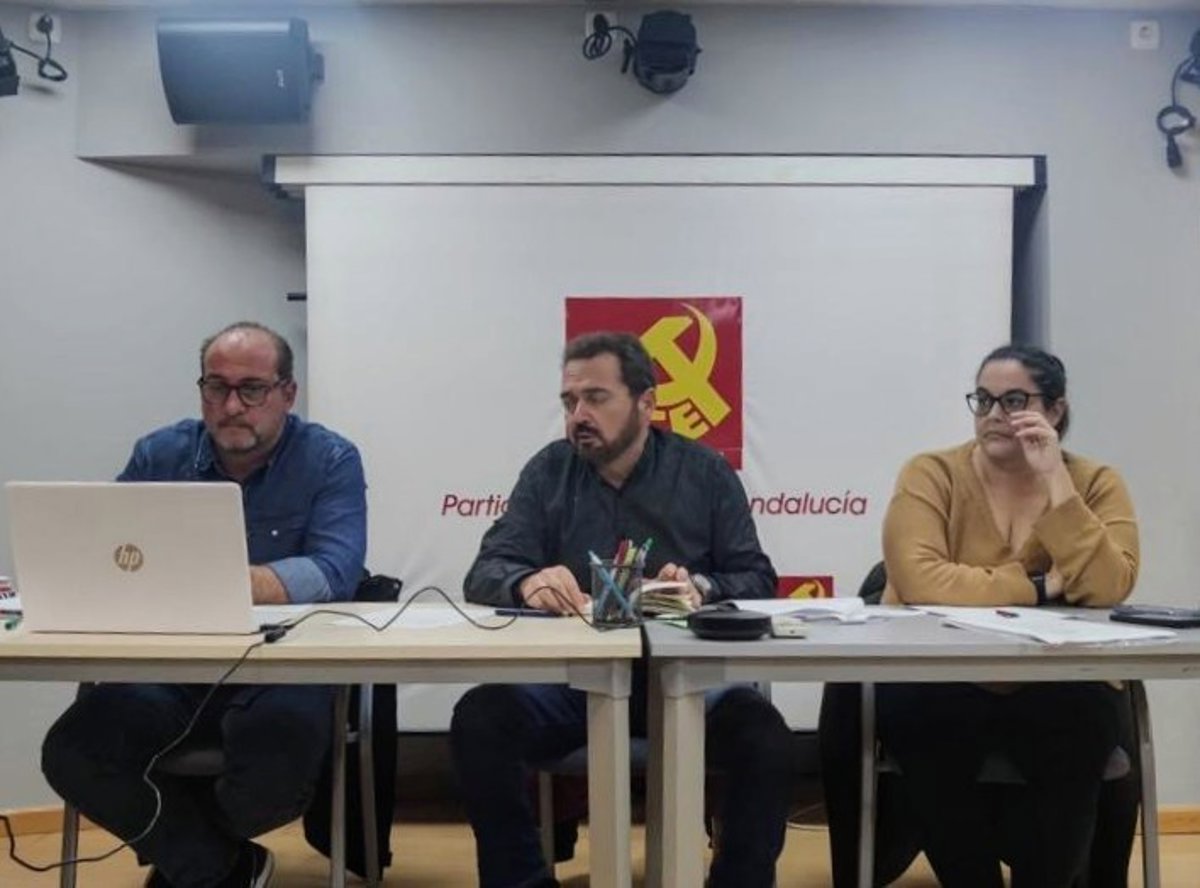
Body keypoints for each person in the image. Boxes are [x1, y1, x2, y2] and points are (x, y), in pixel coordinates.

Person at [450, 331, 794, 888]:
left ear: (646, 402)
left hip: (684, 684)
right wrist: (527, 582)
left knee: (765, 736)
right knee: (481, 719)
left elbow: (756, 578)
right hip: (574, 687)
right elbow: (486, 570)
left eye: (596, 398)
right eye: (569, 402)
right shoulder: (548, 471)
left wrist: (701, 587)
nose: (578, 416)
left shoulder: (704, 472)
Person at [41, 321, 368, 888]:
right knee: (73, 753)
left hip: (282, 668)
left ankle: (191, 861)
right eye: (217, 387)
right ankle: (219, 867)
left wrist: (215, 581)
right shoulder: (159, 454)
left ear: (288, 393)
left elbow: (334, 571)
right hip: (168, 665)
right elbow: (106, 551)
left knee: (277, 768)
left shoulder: (330, 458)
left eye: (252, 389)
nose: (232, 406)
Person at [875, 343, 1139, 888]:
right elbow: (920, 579)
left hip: (1055, 679)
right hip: (943, 677)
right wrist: (1040, 587)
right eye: (983, 400)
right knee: (918, 722)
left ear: (1055, 410)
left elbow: (1108, 586)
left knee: (1080, 728)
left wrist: (1056, 482)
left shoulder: (1095, 482)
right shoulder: (931, 473)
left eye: (1014, 400)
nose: (994, 414)